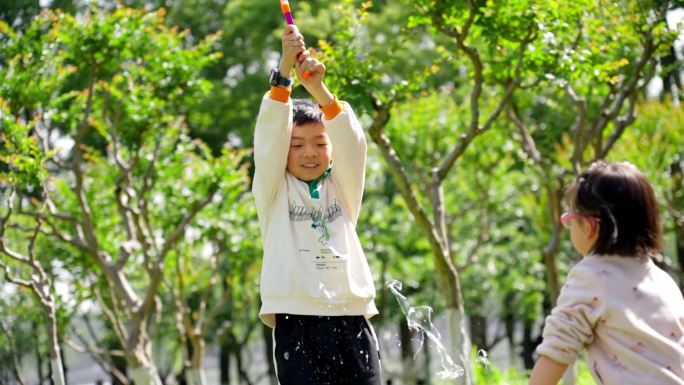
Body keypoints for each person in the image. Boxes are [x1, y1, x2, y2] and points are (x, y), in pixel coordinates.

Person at [252, 24, 380, 385]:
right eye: (297, 145)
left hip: (352, 319)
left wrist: (318, 89)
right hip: (297, 324)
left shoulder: (343, 186)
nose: (310, 153)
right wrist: (285, 73)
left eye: (320, 144)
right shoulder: (273, 190)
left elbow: (353, 143)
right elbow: (268, 138)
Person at [529, 161, 684, 385]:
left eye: (569, 219)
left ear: (590, 226)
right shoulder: (663, 281)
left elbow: (557, 349)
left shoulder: (591, 276)